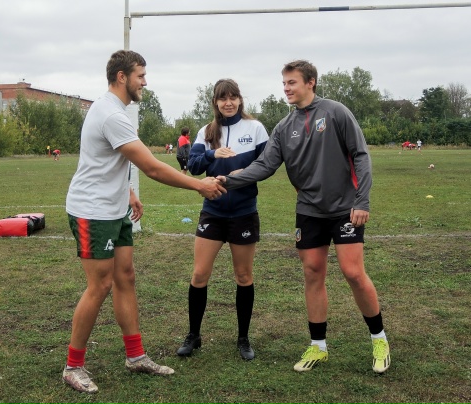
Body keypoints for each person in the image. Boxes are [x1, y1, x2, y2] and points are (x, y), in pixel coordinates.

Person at [63, 50, 226, 394]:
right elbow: (151, 167)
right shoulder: (111, 114)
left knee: (125, 277)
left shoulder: (114, 110)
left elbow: (110, 160)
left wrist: (128, 192)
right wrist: (199, 185)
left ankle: (136, 356)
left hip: (114, 208)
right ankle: (73, 366)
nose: (145, 82)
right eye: (140, 75)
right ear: (122, 77)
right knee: (100, 285)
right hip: (92, 211)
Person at [217, 60, 391, 374]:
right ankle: (318, 346)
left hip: (345, 208)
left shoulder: (336, 112)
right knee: (312, 272)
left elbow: (360, 155)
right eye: (284, 83)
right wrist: (227, 180)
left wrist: (362, 200)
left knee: (353, 272)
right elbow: (264, 166)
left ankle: (379, 339)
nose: (286, 88)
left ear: (310, 82)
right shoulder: (284, 127)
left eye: (292, 82)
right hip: (309, 210)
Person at [176, 79, 269, 361]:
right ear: (216, 102)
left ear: (240, 100)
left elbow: (267, 165)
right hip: (213, 212)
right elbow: (193, 167)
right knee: (199, 275)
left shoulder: (255, 128)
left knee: (244, 276)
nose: (228, 103)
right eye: (223, 98)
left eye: (233, 97)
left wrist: (242, 174)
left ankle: (243, 338)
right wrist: (211, 153)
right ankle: (194, 335)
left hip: (243, 212)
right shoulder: (206, 131)